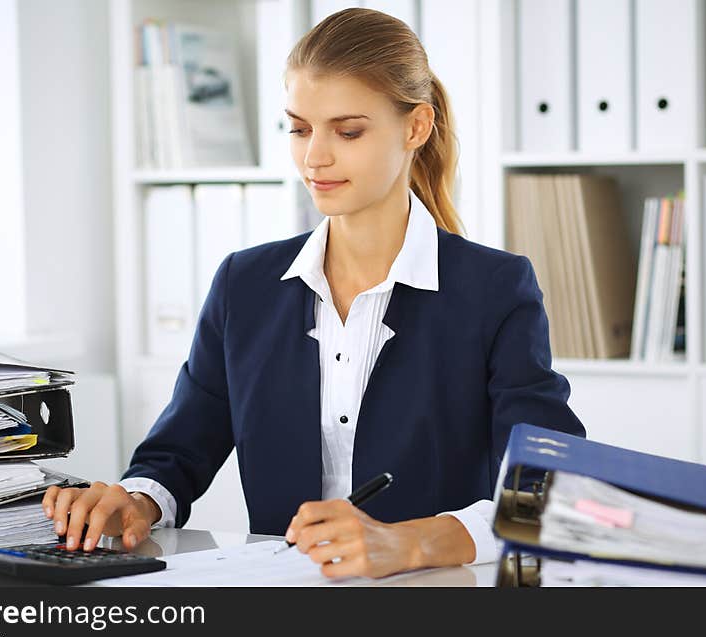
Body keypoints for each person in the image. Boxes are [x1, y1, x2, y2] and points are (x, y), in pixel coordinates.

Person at [42, 8, 585, 579]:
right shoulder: (244, 285)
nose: (314, 157)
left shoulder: (494, 289)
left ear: (416, 128)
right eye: (299, 128)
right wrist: (136, 502)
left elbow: (549, 485)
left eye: (347, 131)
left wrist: (411, 544)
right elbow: (177, 452)